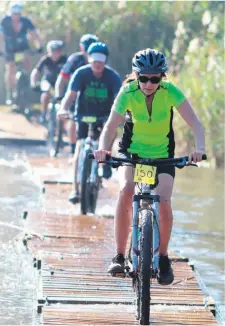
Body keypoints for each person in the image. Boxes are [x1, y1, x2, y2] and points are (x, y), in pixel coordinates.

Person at [93, 48, 205, 285]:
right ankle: (120, 256)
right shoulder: (127, 92)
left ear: (162, 77)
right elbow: (110, 127)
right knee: (126, 190)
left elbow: (196, 123)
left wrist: (200, 149)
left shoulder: (170, 92)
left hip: (162, 156)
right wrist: (104, 149)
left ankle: (163, 257)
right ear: (136, 75)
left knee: (163, 201)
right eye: (143, 78)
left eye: (155, 79)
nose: (148, 83)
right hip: (132, 154)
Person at [58, 42, 122, 204]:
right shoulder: (81, 74)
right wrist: (63, 109)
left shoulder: (113, 77)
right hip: (83, 116)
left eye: (100, 60)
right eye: (94, 60)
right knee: (79, 148)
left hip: (104, 117)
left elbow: (118, 100)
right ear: (88, 59)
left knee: (110, 132)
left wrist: (121, 116)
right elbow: (70, 96)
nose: (97, 64)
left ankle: (105, 160)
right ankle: (75, 189)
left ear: (105, 60)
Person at [55, 34, 99, 154]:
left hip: (93, 95)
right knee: (73, 120)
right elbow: (62, 80)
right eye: (87, 50)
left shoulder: (99, 60)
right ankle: (74, 149)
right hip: (75, 93)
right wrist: (59, 97)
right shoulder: (74, 59)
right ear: (82, 49)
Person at [0, 1, 43, 105]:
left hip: (22, 48)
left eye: (18, 14)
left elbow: (34, 33)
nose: (16, 16)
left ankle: (25, 85)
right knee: (10, 68)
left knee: (27, 61)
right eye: (14, 14)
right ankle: (9, 93)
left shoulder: (25, 21)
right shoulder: (5, 21)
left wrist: (39, 46)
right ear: (10, 13)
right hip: (10, 49)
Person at [30, 40, 67, 123]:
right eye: (53, 51)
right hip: (47, 81)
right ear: (49, 51)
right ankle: (43, 113)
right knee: (46, 93)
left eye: (58, 51)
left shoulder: (65, 60)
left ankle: (61, 123)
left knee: (63, 99)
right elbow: (36, 71)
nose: (56, 53)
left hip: (60, 83)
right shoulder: (46, 59)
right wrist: (33, 82)